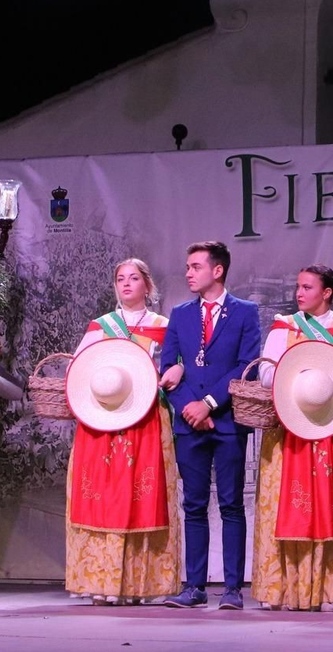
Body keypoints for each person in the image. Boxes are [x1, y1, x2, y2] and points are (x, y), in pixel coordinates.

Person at [250, 265, 333, 612]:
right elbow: (266, 371)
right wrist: (302, 378)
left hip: (332, 427)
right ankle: (287, 588)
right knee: (288, 505)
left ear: (328, 292)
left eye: (307, 287)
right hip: (289, 430)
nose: (299, 293)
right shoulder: (284, 326)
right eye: (297, 286)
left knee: (332, 504)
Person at [64, 258, 179, 605]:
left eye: (133, 278)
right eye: (120, 279)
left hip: (145, 419)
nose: (126, 284)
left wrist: (173, 373)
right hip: (102, 420)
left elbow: (176, 364)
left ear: (148, 285)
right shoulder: (100, 326)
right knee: (101, 494)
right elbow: (78, 366)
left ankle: (139, 584)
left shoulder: (164, 326)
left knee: (141, 496)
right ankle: (101, 581)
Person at [157, 241, 263, 610]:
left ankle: (233, 589)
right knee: (194, 505)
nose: (188, 273)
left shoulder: (246, 313)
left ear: (217, 271)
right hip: (190, 424)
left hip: (227, 421)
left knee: (232, 504)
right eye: (187, 267)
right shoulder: (181, 313)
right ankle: (195, 587)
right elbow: (168, 367)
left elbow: (245, 367)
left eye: (195, 266)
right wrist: (188, 406)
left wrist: (209, 404)